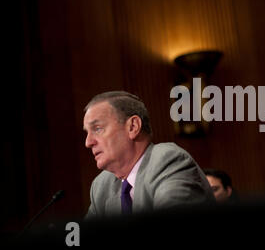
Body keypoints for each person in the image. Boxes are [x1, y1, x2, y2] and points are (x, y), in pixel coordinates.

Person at [83, 91, 215, 219]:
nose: (88, 142)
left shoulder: (167, 161)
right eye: (87, 133)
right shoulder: (101, 185)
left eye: (98, 129)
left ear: (133, 127)